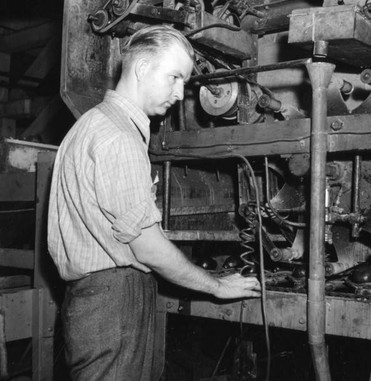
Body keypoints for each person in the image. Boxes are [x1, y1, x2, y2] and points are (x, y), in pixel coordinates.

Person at [47, 25, 261, 381]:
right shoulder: (118, 137)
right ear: (143, 68)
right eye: (174, 77)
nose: (180, 93)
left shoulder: (92, 124)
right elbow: (146, 247)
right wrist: (217, 285)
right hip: (112, 302)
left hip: (105, 299)